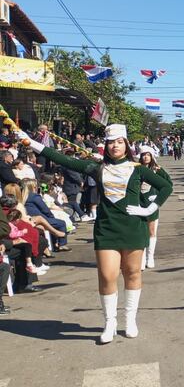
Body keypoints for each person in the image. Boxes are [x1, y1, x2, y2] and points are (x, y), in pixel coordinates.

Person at [16, 124, 173, 344]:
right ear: (106, 146)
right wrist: (30, 142)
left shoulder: (138, 169)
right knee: (107, 276)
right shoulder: (97, 168)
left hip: (133, 229)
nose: (115, 146)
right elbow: (64, 160)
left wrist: (148, 208)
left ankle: (130, 320)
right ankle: (110, 322)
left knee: (132, 273)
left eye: (119, 142)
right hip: (107, 229)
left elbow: (166, 186)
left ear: (126, 144)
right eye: (111, 142)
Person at [139, 146, 172, 270]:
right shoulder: (137, 169)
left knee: (152, 232)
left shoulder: (157, 169)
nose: (146, 157)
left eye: (148, 154)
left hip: (152, 205)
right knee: (141, 232)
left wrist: (158, 197)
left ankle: (150, 257)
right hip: (139, 203)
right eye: (143, 155)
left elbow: (168, 185)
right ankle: (141, 259)